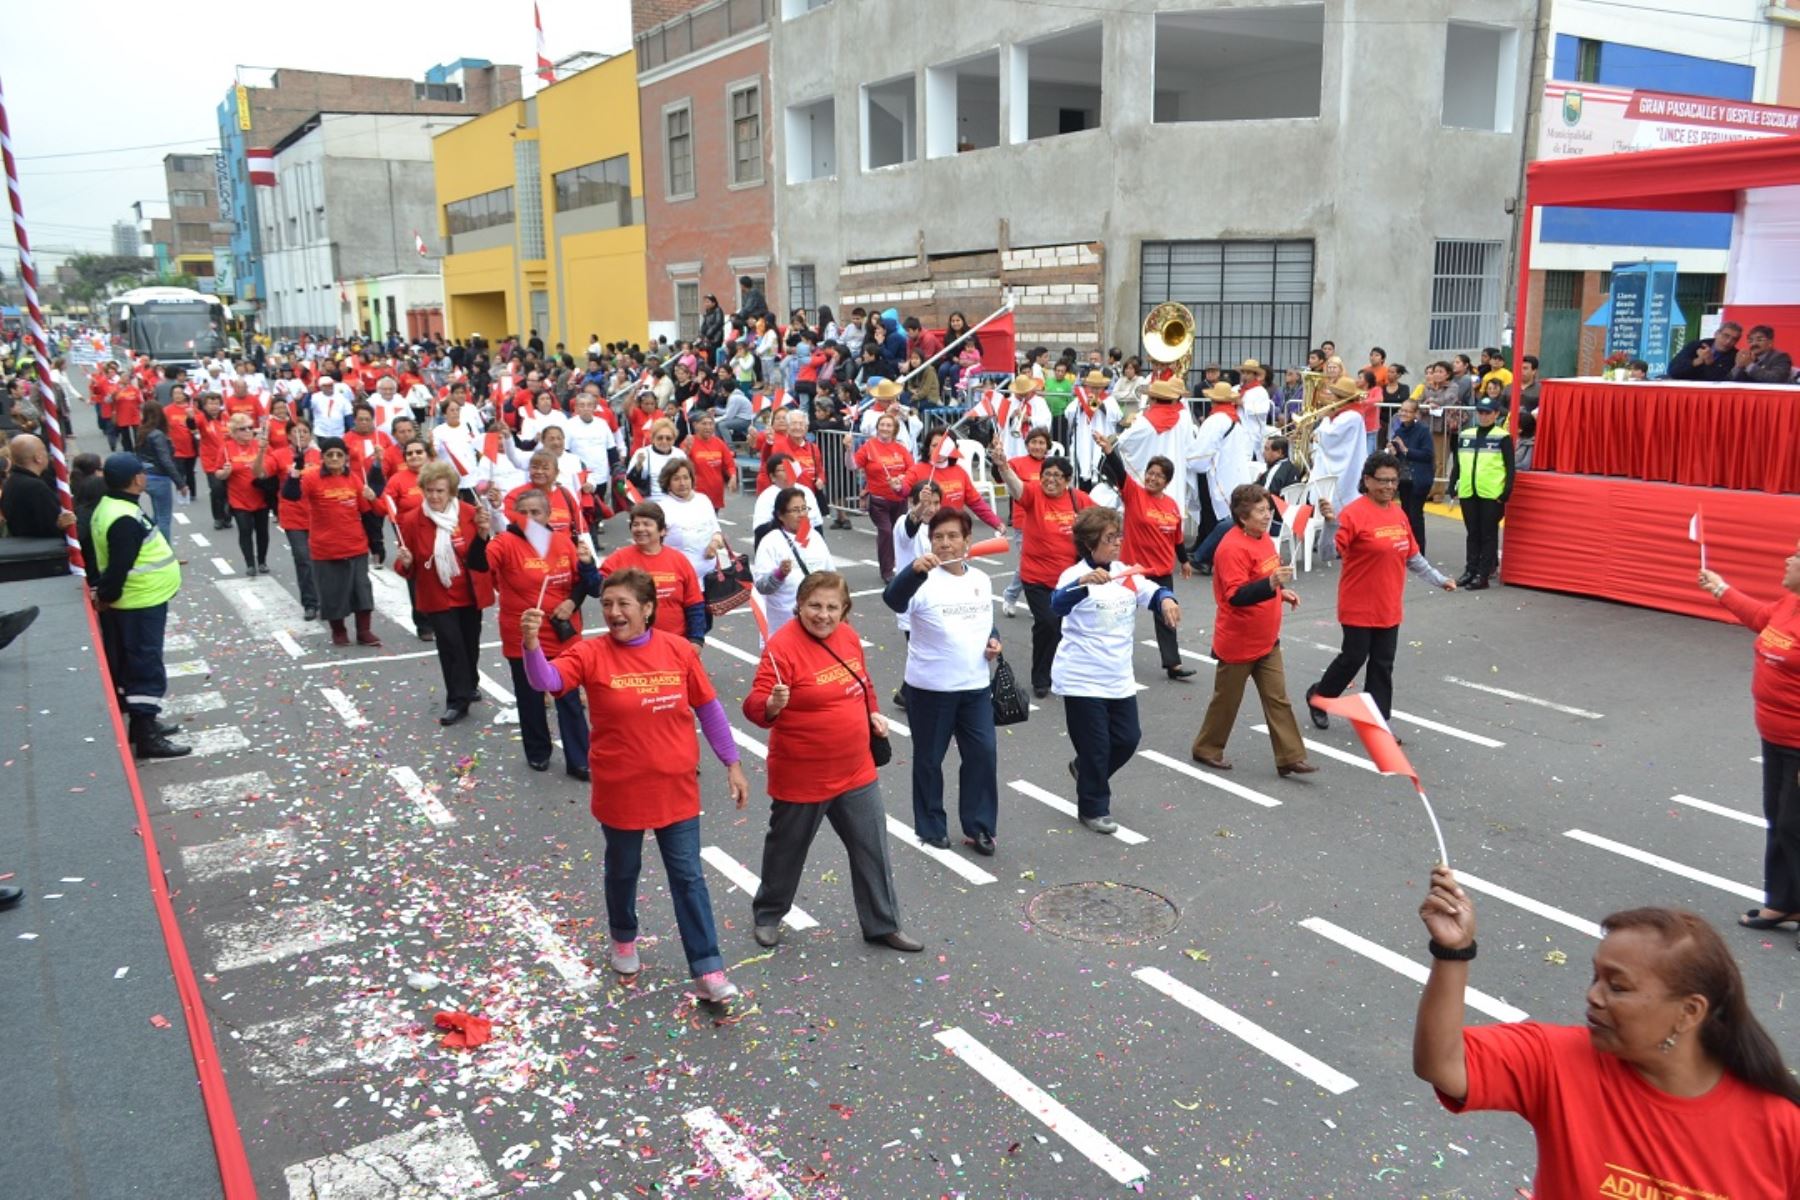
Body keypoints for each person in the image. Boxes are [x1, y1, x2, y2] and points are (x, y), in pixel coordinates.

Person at [1412, 870, 1800, 1196]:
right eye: (1596, 977)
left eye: (1618, 986)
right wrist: (1453, 952)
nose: (1593, 996)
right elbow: (1444, 1063)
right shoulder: (1558, 1060)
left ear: (1689, 1011)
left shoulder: (1781, 1128)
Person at [520, 570, 750, 1003]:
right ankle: (623, 936)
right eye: (607, 604)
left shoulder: (679, 651)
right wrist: (531, 646)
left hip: (676, 787)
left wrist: (732, 764)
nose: (613, 612)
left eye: (624, 603)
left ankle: (708, 969)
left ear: (647, 608)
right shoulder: (589, 652)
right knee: (624, 870)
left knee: (688, 877)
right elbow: (546, 682)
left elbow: (709, 708)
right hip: (621, 788)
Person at [743, 571, 921, 952]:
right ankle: (769, 914)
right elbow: (754, 707)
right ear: (800, 606)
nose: (822, 615)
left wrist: (873, 715)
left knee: (872, 848)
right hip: (802, 774)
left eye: (831, 607)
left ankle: (883, 923)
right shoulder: (781, 648)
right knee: (786, 850)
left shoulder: (848, 636)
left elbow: (864, 683)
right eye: (814, 606)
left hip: (856, 769)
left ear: (844, 610)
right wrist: (772, 705)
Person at [1050, 508, 1180, 834]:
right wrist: (1083, 583)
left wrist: (1166, 600)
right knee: (1096, 747)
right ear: (1090, 543)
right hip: (1082, 678)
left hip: (1118, 677)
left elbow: (1152, 591)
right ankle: (1093, 808)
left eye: (1118, 536)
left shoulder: (1125, 573)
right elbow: (1057, 604)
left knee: (1127, 739)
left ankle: (1084, 771)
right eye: (1109, 538)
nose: (1117, 543)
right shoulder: (1073, 576)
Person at [882, 507, 1003, 856]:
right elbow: (892, 599)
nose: (946, 543)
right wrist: (911, 572)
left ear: (967, 540)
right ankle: (931, 825)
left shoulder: (980, 579)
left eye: (953, 536)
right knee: (930, 760)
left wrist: (993, 641)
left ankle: (980, 826)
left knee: (983, 754)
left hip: (976, 687)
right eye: (938, 537)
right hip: (930, 689)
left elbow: (986, 622)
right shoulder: (922, 579)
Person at [1306, 452, 1456, 729]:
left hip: (1389, 605)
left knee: (1382, 664)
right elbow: (1328, 553)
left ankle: (1378, 720)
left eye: (1393, 481)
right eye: (1382, 481)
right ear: (1367, 480)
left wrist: (1439, 579)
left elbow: (1412, 556)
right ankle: (1320, 696)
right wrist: (1330, 524)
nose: (1388, 487)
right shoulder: (1353, 513)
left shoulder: (1398, 513)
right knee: (1353, 658)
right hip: (1358, 605)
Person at [1698, 541, 1800, 936]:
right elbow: (1762, 618)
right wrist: (1721, 589)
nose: (1788, 558)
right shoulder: (1790, 602)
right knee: (1779, 819)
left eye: (1797, 555)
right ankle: (1783, 903)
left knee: (1795, 824)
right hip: (1774, 735)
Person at [1191, 484, 1317, 778]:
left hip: (1267, 638)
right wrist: (1271, 585)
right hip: (1239, 640)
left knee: (1278, 698)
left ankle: (1290, 756)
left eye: (1267, 509)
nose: (1267, 515)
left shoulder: (1262, 539)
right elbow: (1236, 595)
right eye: (1260, 510)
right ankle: (1206, 748)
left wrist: (1280, 591)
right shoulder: (1232, 547)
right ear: (1242, 516)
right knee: (1227, 700)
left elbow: (1264, 576)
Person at [476, 487, 595, 776]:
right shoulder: (504, 542)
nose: (529, 518)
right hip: (524, 634)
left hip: (563, 634)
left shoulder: (564, 542)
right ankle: (538, 751)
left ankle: (580, 759)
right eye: (523, 512)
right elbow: (480, 565)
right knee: (530, 698)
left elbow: (585, 584)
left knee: (568, 698)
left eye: (535, 512)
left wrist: (571, 601)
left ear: (547, 514)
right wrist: (481, 537)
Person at [91, 453, 188, 759]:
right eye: (142, 474)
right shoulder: (123, 517)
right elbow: (119, 565)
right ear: (136, 479)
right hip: (139, 601)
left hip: (141, 599)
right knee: (145, 665)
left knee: (140, 662)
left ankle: (143, 725)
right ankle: (147, 736)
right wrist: (106, 596)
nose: (145, 477)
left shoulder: (113, 507)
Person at [991, 442, 1092, 698]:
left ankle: (1060, 669)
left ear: (1067, 480)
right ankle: (1041, 678)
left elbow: (1100, 520)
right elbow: (1015, 487)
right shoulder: (1033, 493)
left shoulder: (1077, 499)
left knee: (1062, 627)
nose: (1050, 480)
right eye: (1046, 474)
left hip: (1069, 578)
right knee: (1047, 623)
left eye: (1057, 475)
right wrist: (1003, 465)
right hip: (1036, 577)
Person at [394, 462, 490, 724]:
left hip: (469, 593)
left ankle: (470, 683)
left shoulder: (471, 513)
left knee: (470, 645)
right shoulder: (413, 520)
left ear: (452, 492)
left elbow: (482, 559)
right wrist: (406, 561)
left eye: (440, 491)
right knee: (451, 647)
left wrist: (483, 534)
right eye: (429, 490)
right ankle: (456, 701)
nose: (434, 496)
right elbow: (407, 569)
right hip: (438, 596)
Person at [1099, 446, 1192, 680]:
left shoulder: (1171, 505)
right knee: (1119, 615)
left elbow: (1177, 538)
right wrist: (1110, 451)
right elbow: (1119, 471)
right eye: (1150, 472)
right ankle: (1108, 657)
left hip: (1161, 571)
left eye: (1159, 475)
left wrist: (1185, 561)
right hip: (1133, 570)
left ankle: (1173, 665)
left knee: (1167, 617)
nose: (1152, 478)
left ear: (1167, 482)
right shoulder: (1133, 493)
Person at [288, 437, 381, 647]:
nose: (335, 458)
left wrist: (376, 543)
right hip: (326, 549)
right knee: (332, 593)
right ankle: (338, 631)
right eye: (330, 455)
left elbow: (368, 512)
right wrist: (295, 473)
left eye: (339, 455)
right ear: (323, 458)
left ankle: (364, 631)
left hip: (355, 546)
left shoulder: (354, 478)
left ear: (346, 458)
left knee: (362, 591)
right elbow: (291, 495)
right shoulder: (312, 478)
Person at [603, 502, 707, 643]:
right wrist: (587, 565)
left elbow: (694, 605)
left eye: (647, 524)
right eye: (636, 524)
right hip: (632, 644)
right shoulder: (618, 559)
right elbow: (597, 588)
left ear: (662, 530)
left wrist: (696, 640)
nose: (640, 529)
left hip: (675, 643)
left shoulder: (679, 560)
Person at [1448, 393, 1515, 590]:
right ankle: (1470, 570)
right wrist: (1452, 485)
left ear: (1496, 414)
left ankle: (1483, 574)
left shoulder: (1502, 437)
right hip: (1469, 492)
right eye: (1480, 412)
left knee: (1488, 534)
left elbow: (1510, 468)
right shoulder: (1466, 435)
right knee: (1472, 533)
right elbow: (1458, 464)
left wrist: (1506, 492)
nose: (1483, 416)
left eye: (1488, 413)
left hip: (1491, 494)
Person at [752, 486, 835, 640]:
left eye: (804, 508)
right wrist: (779, 574)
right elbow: (762, 586)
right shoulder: (771, 542)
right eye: (795, 510)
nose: (802, 514)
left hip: (817, 622)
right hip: (784, 624)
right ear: (781, 515)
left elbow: (832, 576)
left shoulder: (815, 537)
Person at [854, 403, 917, 581]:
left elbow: (912, 470)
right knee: (886, 532)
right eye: (882, 425)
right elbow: (852, 465)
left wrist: (901, 478)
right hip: (878, 500)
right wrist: (847, 450)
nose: (884, 428)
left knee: (901, 534)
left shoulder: (901, 448)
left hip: (899, 498)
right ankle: (887, 571)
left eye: (889, 425)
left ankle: (903, 566)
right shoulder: (869, 446)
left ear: (894, 429)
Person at [268, 418, 322, 620]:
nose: (301, 436)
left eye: (305, 432)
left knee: (321, 560)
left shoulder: (320, 456)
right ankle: (310, 603)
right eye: (297, 433)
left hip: (319, 515)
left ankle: (326, 598)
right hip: (293, 516)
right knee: (303, 559)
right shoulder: (279, 455)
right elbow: (262, 473)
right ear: (289, 435)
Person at [217, 414, 272, 576]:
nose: (248, 431)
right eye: (243, 429)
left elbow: (271, 466)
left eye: (250, 427)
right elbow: (218, 473)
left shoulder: (260, 445)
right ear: (234, 432)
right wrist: (225, 472)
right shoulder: (226, 448)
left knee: (263, 531)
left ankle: (262, 561)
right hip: (239, 498)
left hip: (260, 496)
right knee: (245, 530)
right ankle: (250, 564)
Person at [0, 433, 75, 539]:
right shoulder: (36, 487)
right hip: (41, 547)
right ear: (38, 458)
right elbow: (52, 525)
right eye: (44, 450)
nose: (47, 454)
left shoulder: (12, 481)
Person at [1388, 398, 1435, 552]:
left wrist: (1405, 449)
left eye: (1408, 411)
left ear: (1415, 414)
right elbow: (1399, 456)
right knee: (1405, 514)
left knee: (1415, 515)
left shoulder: (1423, 430)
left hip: (1419, 478)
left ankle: (1419, 551)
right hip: (1404, 478)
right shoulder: (1399, 430)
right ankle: (1407, 547)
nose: (1404, 414)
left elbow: (1428, 455)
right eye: (1402, 410)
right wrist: (1394, 451)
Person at [1668, 321, 1740, 382]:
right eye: (1726, 336)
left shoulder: (1735, 356)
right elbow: (1673, 370)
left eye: (1734, 339)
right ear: (1716, 334)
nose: (1728, 342)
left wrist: (1710, 363)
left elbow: (1720, 382)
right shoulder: (1696, 346)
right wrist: (1697, 361)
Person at [1729, 324, 1794, 384]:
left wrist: (1749, 365)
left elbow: (1776, 379)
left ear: (1770, 342)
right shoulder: (1746, 358)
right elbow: (1729, 381)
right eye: (1750, 340)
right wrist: (1738, 367)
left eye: (1759, 340)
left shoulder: (1781, 357)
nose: (1754, 344)